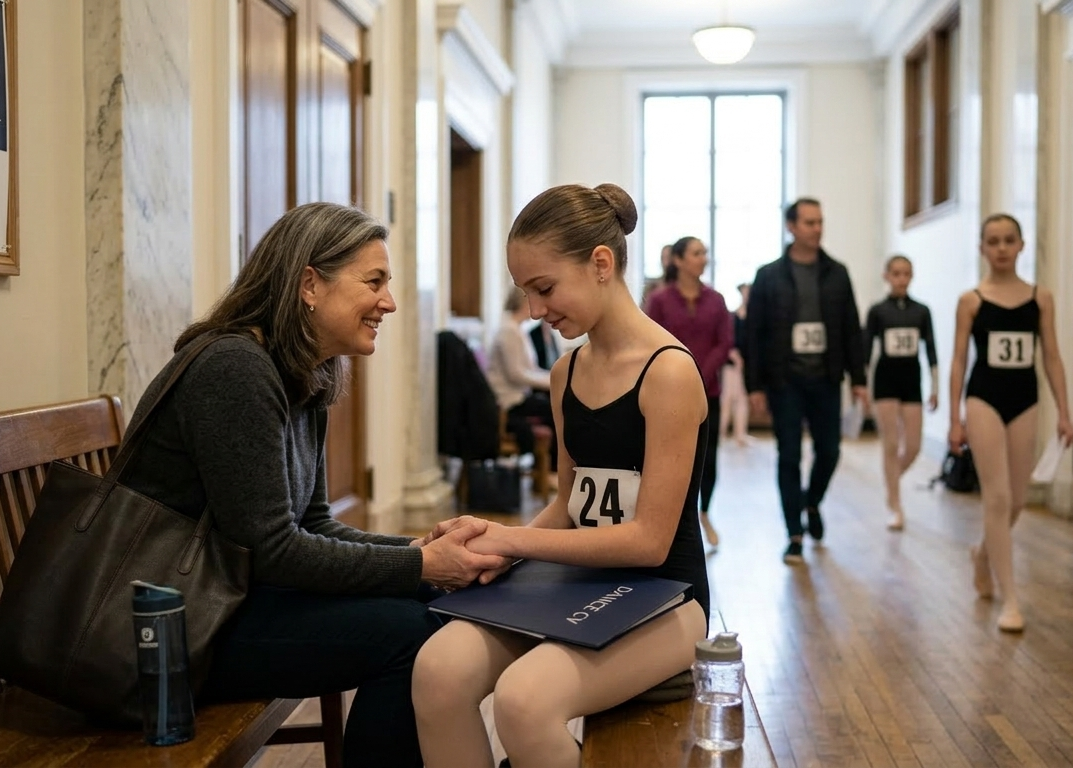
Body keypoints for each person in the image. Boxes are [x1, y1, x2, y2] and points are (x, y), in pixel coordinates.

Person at [117, 203, 508, 768]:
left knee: (432, 601)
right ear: (309, 285)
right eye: (373, 282)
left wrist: (420, 553)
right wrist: (421, 565)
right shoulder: (234, 368)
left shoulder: (305, 370)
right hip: (176, 629)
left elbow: (314, 524)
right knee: (411, 634)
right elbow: (271, 549)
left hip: (231, 599)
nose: (390, 302)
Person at [411, 183, 711, 768]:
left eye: (544, 288)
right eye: (525, 293)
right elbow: (570, 504)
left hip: (669, 597)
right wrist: (495, 551)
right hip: (580, 581)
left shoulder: (669, 372)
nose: (534, 311)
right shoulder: (565, 373)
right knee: (437, 671)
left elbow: (649, 543)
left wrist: (510, 538)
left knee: (524, 702)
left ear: (601, 263)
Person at [947, 214, 1073, 633]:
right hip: (983, 399)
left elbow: (1052, 357)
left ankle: (983, 554)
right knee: (997, 499)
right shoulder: (971, 300)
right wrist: (954, 418)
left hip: (1025, 401)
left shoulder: (1041, 298)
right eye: (993, 241)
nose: (1001, 248)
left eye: (1008, 240)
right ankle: (1011, 599)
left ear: (1022, 245)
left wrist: (1065, 413)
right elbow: (959, 360)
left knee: (1018, 499)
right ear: (982, 248)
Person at [744, 198, 869, 565]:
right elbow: (755, 333)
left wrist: (859, 379)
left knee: (829, 451)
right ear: (791, 227)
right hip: (786, 381)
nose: (817, 228)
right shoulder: (769, 275)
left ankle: (811, 503)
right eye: (810, 222)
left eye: (820, 222)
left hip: (827, 379)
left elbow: (850, 329)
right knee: (790, 456)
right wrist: (755, 386)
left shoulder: (837, 272)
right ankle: (793, 533)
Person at [645, 236, 732, 548]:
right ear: (679, 261)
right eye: (697, 253)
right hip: (669, 394)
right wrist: (682, 373)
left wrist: (701, 373)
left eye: (705, 253)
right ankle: (677, 520)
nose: (703, 258)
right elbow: (651, 339)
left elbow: (724, 342)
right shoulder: (659, 300)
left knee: (708, 458)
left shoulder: (717, 299)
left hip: (708, 391)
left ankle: (704, 512)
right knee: (672, 458)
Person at [864, 256, 938, 531]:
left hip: (912, 381)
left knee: (914, 446)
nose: (901, 279)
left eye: (906, 273)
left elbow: (930, 347)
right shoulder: (878, 311)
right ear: (887, 276)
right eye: (896, 273)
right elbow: (866, 348)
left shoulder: (921, 311)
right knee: (891, 444)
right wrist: (862, 387)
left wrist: (935, 386)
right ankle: (895, 504)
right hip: (885, 381)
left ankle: (890, 484)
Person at [488, 292, 557, 471]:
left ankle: (549, 467)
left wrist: (555, 377)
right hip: (509, 399)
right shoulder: (508, 331)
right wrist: (551, 382)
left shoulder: (518, 330)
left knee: (555, 405)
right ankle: (551, 469)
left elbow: (531, 369)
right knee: (556, 408)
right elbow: (516, 374)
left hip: (519, 394)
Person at [719, 282, 752, 447]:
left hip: (746, 365)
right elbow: (727, 339)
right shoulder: (732, 316)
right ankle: (722, 432)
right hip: (731, 363)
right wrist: (734, 355)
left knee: (742, 399)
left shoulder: (754, 317)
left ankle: (740, 434)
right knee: (727, 398)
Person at [639, 243, 674, 309]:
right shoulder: (651, 287)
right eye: (662, 258)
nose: (665, 263)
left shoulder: (684, 289)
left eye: (668, 258)